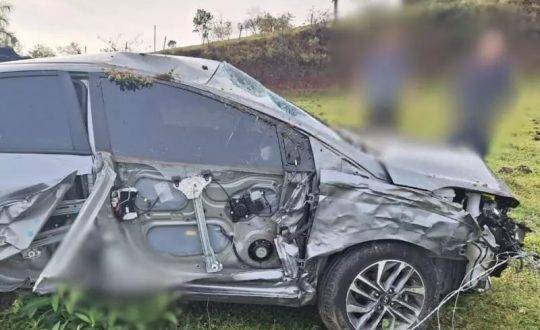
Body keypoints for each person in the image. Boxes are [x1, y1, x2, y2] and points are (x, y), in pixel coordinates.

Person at [450, 29, 514, 157]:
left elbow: (507, 92)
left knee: (478, 149)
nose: (491, 49)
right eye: (488, 45)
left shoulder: (502, 70)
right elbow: (459, 85)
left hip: (483, 120)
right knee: (453, 145)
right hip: (464, 115)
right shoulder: (470, 64)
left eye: (495, 46)